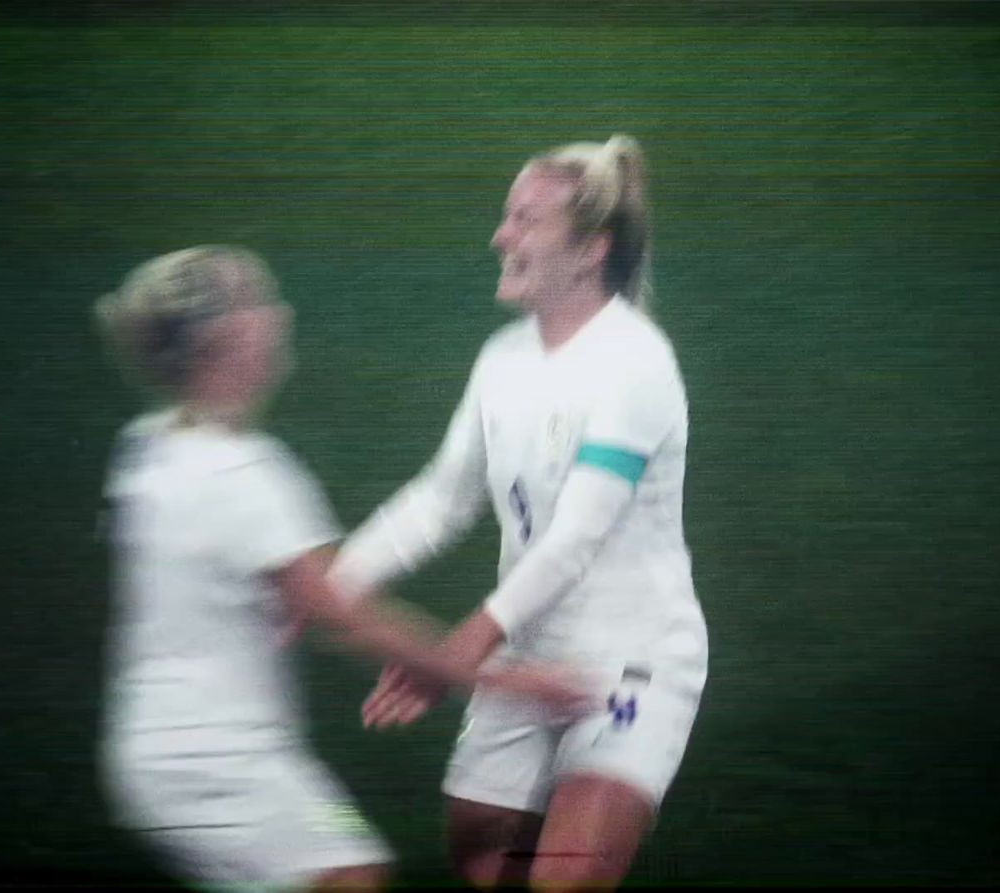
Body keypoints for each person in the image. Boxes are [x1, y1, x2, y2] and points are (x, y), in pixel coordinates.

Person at [92, 245, 597, 893]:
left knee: (347, 847)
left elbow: (299, 591)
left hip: (219, 764)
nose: (280, 314)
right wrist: (511, 680)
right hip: (210, 766)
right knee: (349, 874)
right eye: (259, 301)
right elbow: (343, 619)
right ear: (223, 337)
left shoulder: (149, 443)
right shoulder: (246, 474)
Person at [328, 135, 708, 891]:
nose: (500, 236)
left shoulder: (636, 363)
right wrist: (328, 585)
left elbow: (576, 537)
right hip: (523, 659)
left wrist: (461, 649)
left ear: (591, 249)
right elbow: (442, 497)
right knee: (479, 857)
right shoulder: (503, 357)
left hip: (632, 662)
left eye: (525, 220)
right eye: (507, 216)